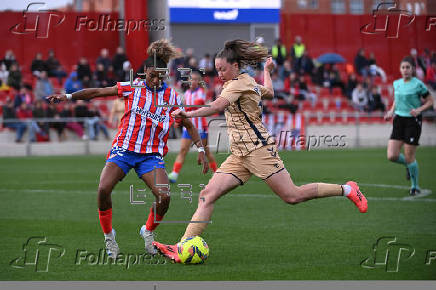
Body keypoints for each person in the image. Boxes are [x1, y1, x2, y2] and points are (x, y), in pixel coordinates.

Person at [153, 39, 368, 262]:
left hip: (259, 150)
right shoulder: (247, 82)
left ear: (235, 66)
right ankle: (183, 246)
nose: (220, 74)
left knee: (292, 195)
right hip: (240, 154)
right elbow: (269, 93)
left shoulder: (238, 84)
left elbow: (216, 106)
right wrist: (267, 70)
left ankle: (348, 189)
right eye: (217, 70)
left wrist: (188, 113)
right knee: (207, 195)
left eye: (223, 69)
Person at [47, 39, 209, 259]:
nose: (155, 80)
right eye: (152, 75)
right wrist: (67, 96)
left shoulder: (172, 97)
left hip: (150, 155)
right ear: (144, 72)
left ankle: (148, 232)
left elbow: (188, 124)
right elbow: (96, 92)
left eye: (159, 76)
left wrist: (200, 150)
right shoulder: (131, 87)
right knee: (103, 189)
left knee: (165, 197)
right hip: (124, 150)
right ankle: (109, 237)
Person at [384, 56, 434, 196]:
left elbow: (430, 101)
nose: (405, 70)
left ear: (412, 69)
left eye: (408, 67)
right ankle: (408, 165)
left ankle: (415, 186)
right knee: (392, 155)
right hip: (399, 120)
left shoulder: (418, 84)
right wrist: (391, 111)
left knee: (409, 155)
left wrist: (419, 110)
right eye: (403, 67)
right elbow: (397, 99)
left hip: (413, 121)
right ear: (400, 69)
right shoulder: (397, 84)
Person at [168, 70, 218, 183]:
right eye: (192, 79)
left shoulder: (200, 92)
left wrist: (184, 110)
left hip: (200, 128)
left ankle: (217, 173)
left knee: (206, 152)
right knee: (183, 150)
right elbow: (185, 109)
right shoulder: (186, 93)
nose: (194, 81)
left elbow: (199, 103)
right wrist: (179, 120)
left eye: (196, 79)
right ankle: (174, 174)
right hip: (188, 127)